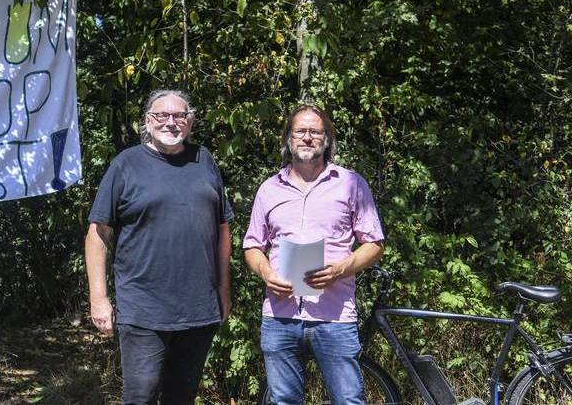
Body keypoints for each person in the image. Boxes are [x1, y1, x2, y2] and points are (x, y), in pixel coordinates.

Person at [85, 89, 235, 405]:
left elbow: (223, 229)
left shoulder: (204, 160)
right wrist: (99, 299)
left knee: (181, 397)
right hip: (143, 308)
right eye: (161, 116)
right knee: (141, 395)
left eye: (179, 115)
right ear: (147, 121)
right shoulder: (126, 164)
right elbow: (98, 234)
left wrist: (223, 290)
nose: (170, 122)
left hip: (198, 308)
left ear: (190, 121)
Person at [242, 104, 385, 405]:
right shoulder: (269, 189)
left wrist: (340, 269)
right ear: (289, 139)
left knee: (348, 401)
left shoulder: (351, 183)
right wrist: (266, 273)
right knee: (283, 401)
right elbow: (252, 245)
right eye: (300, 131)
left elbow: (374, 244)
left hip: (334, 316)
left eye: (315, 132)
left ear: (327, 139)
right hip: (280, 315)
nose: (307, 137)